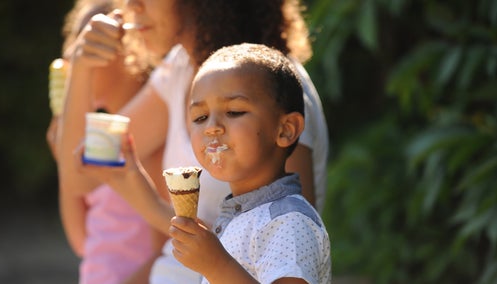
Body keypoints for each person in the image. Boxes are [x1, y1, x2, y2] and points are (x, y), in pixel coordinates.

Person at [62, 0, 328, 282]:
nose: (131, 5)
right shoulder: (177, 69)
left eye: (234, 112)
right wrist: (81, 68)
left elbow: (287, 238)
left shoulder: (274, 88)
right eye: (199, 117)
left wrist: (148, 203)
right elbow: (80, 176)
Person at [170, 42, 331, 284]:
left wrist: (216, 265)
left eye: (234, 111)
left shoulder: (288, 221)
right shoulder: (238, 217)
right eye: (200, 117)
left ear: (286, 130)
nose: (212, 127)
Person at [48, 1, 168, 283]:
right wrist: (63, 160)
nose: (71, 58)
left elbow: (165, 250)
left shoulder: (145, 142)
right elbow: (82, 242)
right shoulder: (98, 141)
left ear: (130, 53)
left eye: (89, 43)